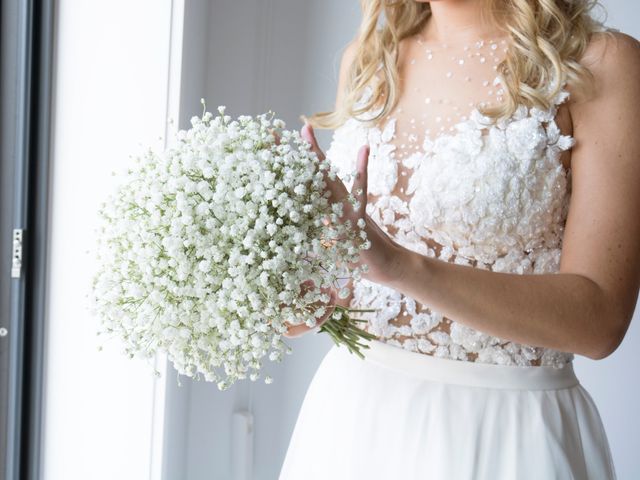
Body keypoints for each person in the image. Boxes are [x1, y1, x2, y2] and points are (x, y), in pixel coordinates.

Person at [279, 0, 640, 478]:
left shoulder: (597, 65)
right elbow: (348, 273)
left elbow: (600, 322)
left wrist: (401, 266)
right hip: (351, 421)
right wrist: (298, 294)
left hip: (504, 433)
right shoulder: (368, 59)